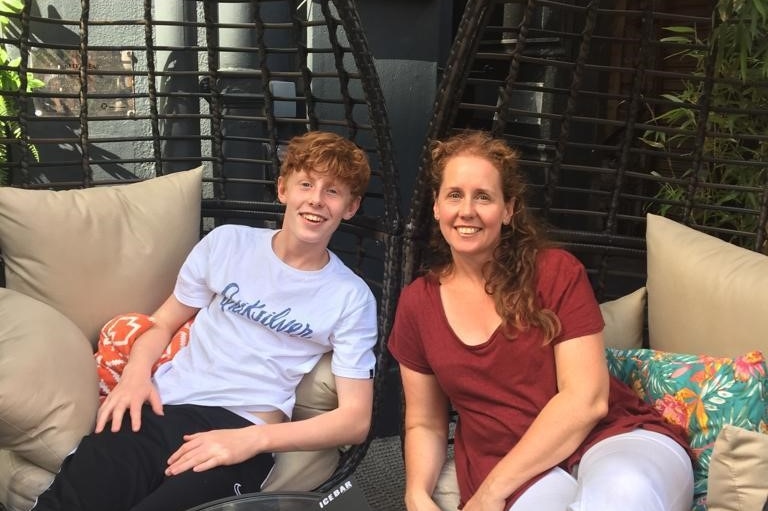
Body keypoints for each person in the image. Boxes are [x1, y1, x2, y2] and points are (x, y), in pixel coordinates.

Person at [32, 130, 378, 511]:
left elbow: (355, 420)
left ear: (351, 207)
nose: (316, 199)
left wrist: (252, 440)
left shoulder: (351, 296)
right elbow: (162, 322)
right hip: (163, 405)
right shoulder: (227, 243)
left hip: (243, 427)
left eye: (333, 191)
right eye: (306, 184)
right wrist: (134, 377)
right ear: (283, 189)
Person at [388, 131, 694, 511]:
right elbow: (425, 423)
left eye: (483, 196)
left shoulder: (555, 272)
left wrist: (489, 492)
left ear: (508, 209)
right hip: (517, 468)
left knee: (623, 493)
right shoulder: (418, 303)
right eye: (454, 195)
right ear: (436, 207)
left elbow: (587, 400)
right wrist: (415, 493)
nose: (467, 210)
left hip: (611, 438)